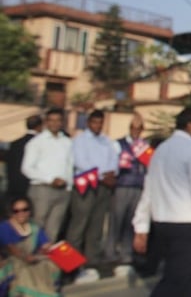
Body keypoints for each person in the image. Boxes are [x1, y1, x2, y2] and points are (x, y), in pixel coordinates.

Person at [132, 108, 191, 297]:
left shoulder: (160, 150)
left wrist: (141, 227)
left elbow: (149, 190)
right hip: (184, 223)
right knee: (176, 279)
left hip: (162, 222)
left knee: (186, 278)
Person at [66, 110, 118, 271]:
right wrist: (103, 174)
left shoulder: (107, 141)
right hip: (86, 185)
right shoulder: (80, 140)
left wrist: (111, 173)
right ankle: (72, 262)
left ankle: (91, 259)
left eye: (100, 122)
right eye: (94, 122)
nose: (98, 125)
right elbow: (81, 162)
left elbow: (114, 160)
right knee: (80, 223)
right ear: (88, 123)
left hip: (103, 187)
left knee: (97, 223)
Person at [21, 108, 72, 244]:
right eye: (51, 120)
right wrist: (50, 180)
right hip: (42, 190)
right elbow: (26, 168)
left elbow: (70, 166)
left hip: (63, 192)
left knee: (54, 228)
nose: (55, 123)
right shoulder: (36, 142)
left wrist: (69, 186)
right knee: (37, 226)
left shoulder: (67, 142)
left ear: (62, 122)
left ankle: (46, 261)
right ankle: (31, 258)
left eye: (58, 120)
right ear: (46, 122)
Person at [106, 114, 148, 265]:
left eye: (139, 128)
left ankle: (126, 252)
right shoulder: (118, 144)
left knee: (132, 221)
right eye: (133, 128)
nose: (136, 131)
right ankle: (110, 251)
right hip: (122, 184)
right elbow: (112, 162)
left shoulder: (145, 145)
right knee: (117, 219)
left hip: (138, 185)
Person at [0, 196, 61, 296]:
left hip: (32, 258)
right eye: (17, 211)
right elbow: (11, 248)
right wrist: (25, 257)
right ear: (11, 212)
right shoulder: (4, 227)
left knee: (49, 264)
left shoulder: (34, 227)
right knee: (23, 269)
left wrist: (47, 249)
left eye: (25, 210)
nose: (21, 213)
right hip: (11, 260)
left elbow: (45, 244)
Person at [5, 115, 42, 201]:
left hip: (14, 184)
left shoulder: (15, 143)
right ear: (40, 126)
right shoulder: (40, 143)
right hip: (32, 185)